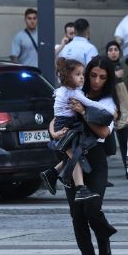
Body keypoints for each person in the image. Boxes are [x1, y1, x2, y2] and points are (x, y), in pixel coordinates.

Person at [49, 56, 120, 255]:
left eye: (102, 77)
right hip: (72, 157)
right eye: (93, 75)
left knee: (92, 207)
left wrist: (84, 112)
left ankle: (103, 236)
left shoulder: (107, 101)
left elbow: (104, 132)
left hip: (95, 157)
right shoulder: (74, 90)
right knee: (76, 211)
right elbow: (56, 118)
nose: (96, 81)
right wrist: (53, 133)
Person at [41, 58, 115, 201]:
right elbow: (90, 103)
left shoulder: (63, 91)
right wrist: (109, 111)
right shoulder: (74, 93)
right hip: (67, 127)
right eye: (79, 74)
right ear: (68, 77)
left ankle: (53, 174)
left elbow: (104, 132)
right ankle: (79, 187)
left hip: (68, 127)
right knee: (75, 155)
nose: (82, 77)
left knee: (75, 154)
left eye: (82, 73)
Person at [105, 40, 128, 179]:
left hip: (126, 108)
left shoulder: (125, 66)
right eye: (110, 50)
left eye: (115, 49)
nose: (113, 52)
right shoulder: (103, 66)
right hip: (109, 107)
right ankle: (105, 173)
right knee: (112, 141)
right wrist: (114, 77)